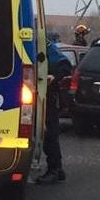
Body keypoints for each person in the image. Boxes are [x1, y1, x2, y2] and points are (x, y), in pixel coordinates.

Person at [35, 40, 74, 185]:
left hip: (46, 96)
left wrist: (54, 76)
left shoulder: (43, 44)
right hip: (33, 94)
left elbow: (64, 64)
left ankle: (55, 170)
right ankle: (57, 169)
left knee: (49, 133)